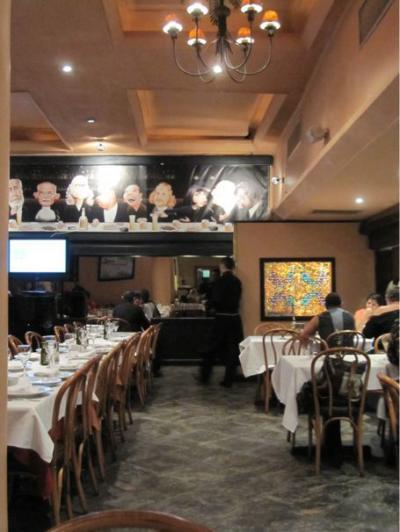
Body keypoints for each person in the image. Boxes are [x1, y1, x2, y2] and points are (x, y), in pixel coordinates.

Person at [198, 256, 243, 388]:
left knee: (210, 348)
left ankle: (205, 376)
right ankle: (229, 379)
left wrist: (208, 306)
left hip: (222, 318)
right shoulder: (237, 282)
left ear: (222, 266)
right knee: (232, 350)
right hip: (235, 319)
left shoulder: (219, 281)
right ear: (233, 267)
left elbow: (216, 300)